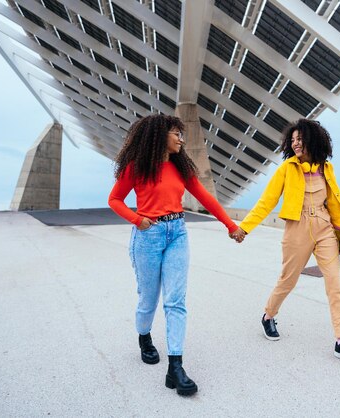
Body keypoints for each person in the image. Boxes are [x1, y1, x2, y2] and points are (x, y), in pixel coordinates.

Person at [109, 114, 244, 396]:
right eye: (176, 134)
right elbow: (114, 199)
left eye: (181, 134)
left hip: (177, 233)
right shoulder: (137, 166)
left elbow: (205, 197)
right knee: (148, 298)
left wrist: (231, 225)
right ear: (160, 136)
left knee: (175, 301)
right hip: (148, 235)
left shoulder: (180, 168)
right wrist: (136, 220)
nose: (181, 139)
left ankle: (176, 366)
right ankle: (144, 337)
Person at [230, 118, 340, 363]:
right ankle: (268, 316)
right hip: (297, 228)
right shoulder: (286, 169)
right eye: (293, 140)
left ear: (313, 139)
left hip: (324, 229)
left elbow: (334, 205)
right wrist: (244, 228)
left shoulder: (326, 168)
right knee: (287, 281)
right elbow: (266, 202)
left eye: (300, 139)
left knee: (335, 285)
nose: (296, 144)